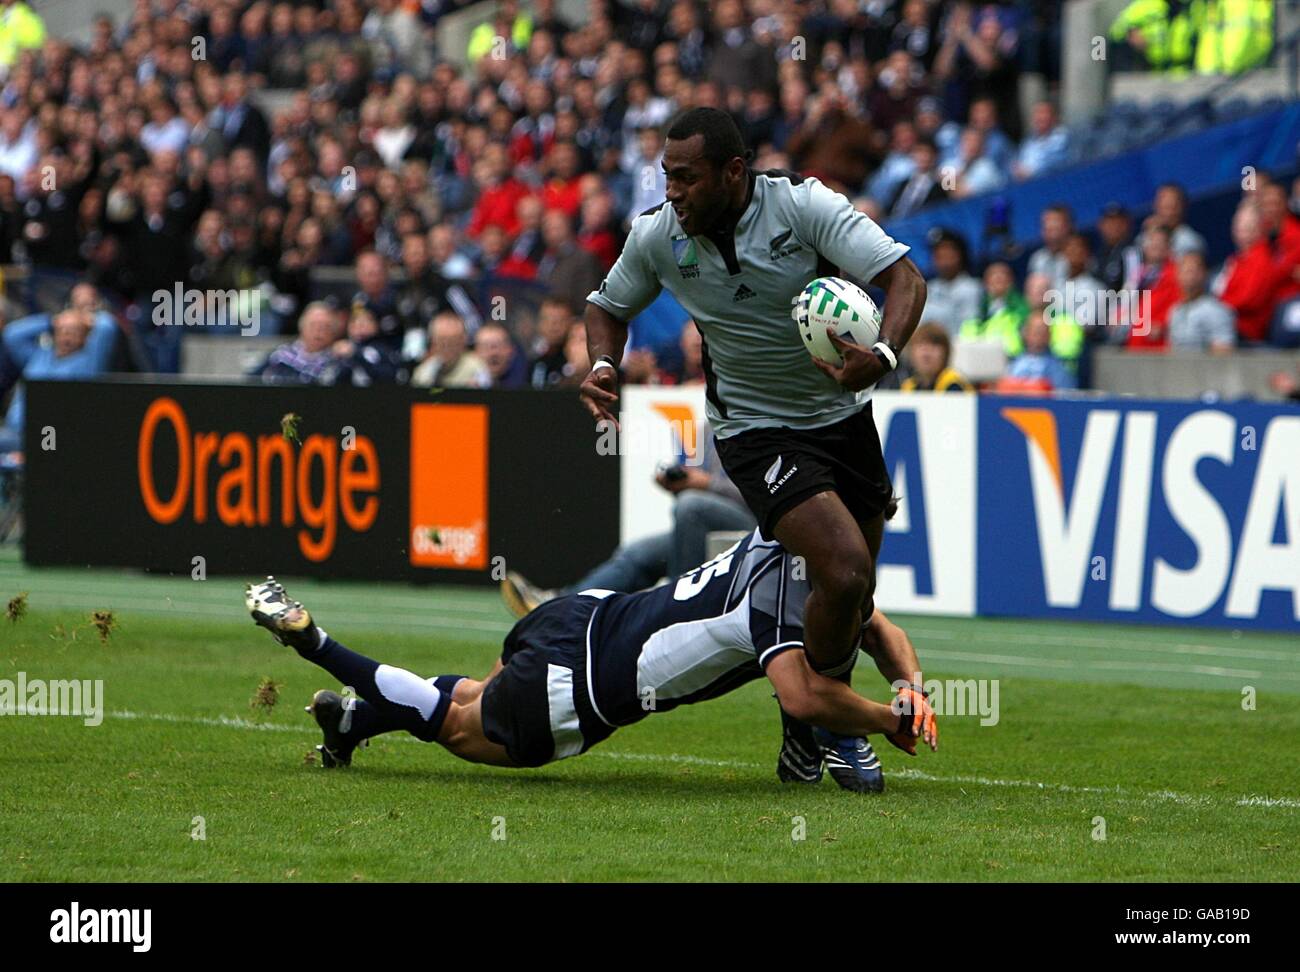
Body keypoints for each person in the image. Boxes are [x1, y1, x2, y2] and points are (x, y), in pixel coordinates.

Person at [580, 107, 928, 794]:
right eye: (667, 177)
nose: (673, 191)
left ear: (734, 172)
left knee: (853, 597)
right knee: (846, 568)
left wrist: (884, 354)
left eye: (687, 178)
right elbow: (606, 307)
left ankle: (804, 726)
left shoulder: (804, 209)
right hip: (754, 430)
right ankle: (837, 725)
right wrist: (602, 366)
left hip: (843, 419)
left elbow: (906, 279)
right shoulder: (658, 237)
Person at [244, 532, 937, 774]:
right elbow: (804, 695)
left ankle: (350, 727)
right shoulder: (787, 603)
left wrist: (911, 686)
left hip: (580, 613)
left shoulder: (783, 540)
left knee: (464, 701)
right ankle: (315, 642)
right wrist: (888, 717)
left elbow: (879, 630)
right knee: (457, 731)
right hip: (582, 685)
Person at [500, 422, 757, 616]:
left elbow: (763, 491)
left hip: (758, 525)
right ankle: (561, 607)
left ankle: (680, 614)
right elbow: (697, 481)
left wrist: (708, 484)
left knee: (691, 506)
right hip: (710, 523)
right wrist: (678, 481)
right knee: (637, 553)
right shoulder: (710, 425)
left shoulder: (756, 425)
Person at [1168, 252, 1236, 352]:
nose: (1189, 277)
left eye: (1192, 271)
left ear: (1204, 274)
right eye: (1184, 271)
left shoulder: (1217, 310)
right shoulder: (1175, 310)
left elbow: (1224, 354)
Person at [410, 311, 491, 389]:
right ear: (433, 342)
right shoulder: (423, 373)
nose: (447, 347)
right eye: (442, 341)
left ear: (463, 341)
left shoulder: (477, 369)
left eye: (453, 341)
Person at [1005, 312, 1077, 390]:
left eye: (1043, 331)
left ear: (1049, 335)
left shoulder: (1059, 370)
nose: (1039, 336)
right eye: (1035, 331)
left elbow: (1066, 395)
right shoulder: (1013, 366)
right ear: (1026, 333)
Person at [899, 322, 974, 392]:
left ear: (946, 353)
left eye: (934, 345)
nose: (926, 352)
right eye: (920, 345)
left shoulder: (954, 384)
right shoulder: (908, 387)